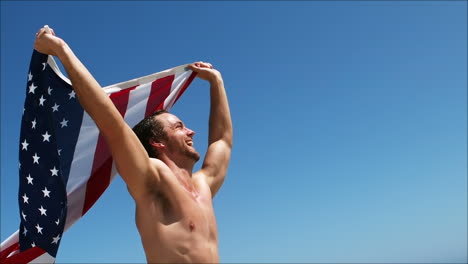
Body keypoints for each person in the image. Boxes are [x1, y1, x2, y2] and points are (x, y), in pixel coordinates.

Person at [34, 27, 232, 263]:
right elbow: (111, 123)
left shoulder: (203, 185)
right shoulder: (152, 179)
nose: (191, 131)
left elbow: (222, 140)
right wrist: (61, 50)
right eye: (179, 127)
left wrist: (216, 81)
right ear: (157, 142)